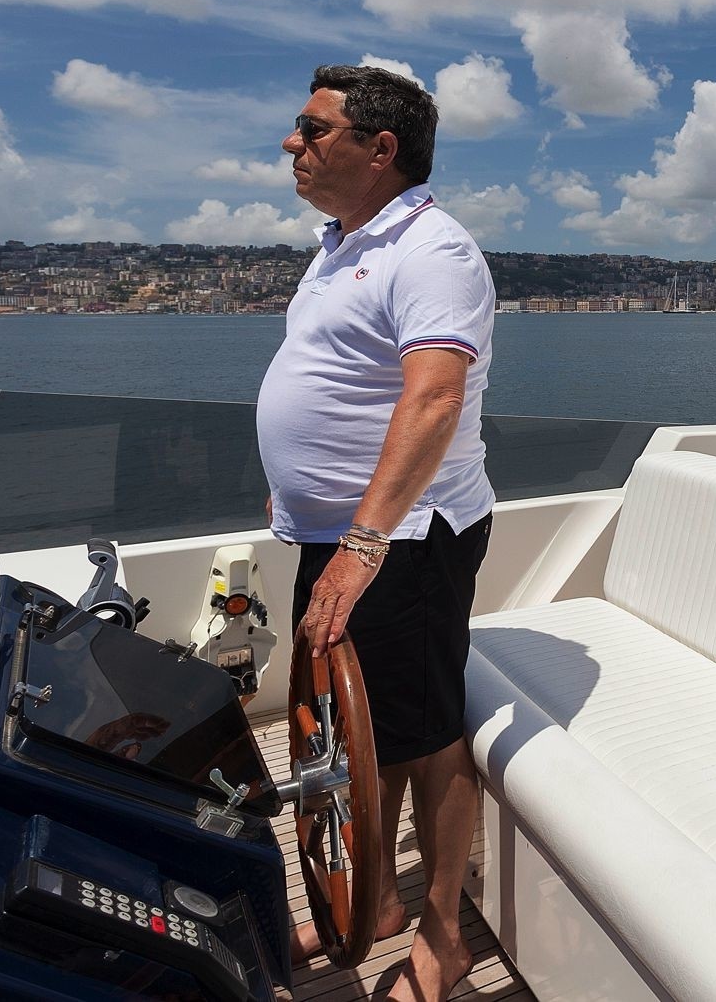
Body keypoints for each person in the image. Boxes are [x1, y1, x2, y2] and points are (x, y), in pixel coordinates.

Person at [256, 64, 495, 1002]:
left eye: (314, 129)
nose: (294, 142)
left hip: (405, 538)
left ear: (380, 148)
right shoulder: (338, 247)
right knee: (359, 732)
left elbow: (433, 398)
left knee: (426, 734)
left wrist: (362, 545)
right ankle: (374, 904)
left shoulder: (434, 249)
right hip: (343, 531)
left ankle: (443, 939)